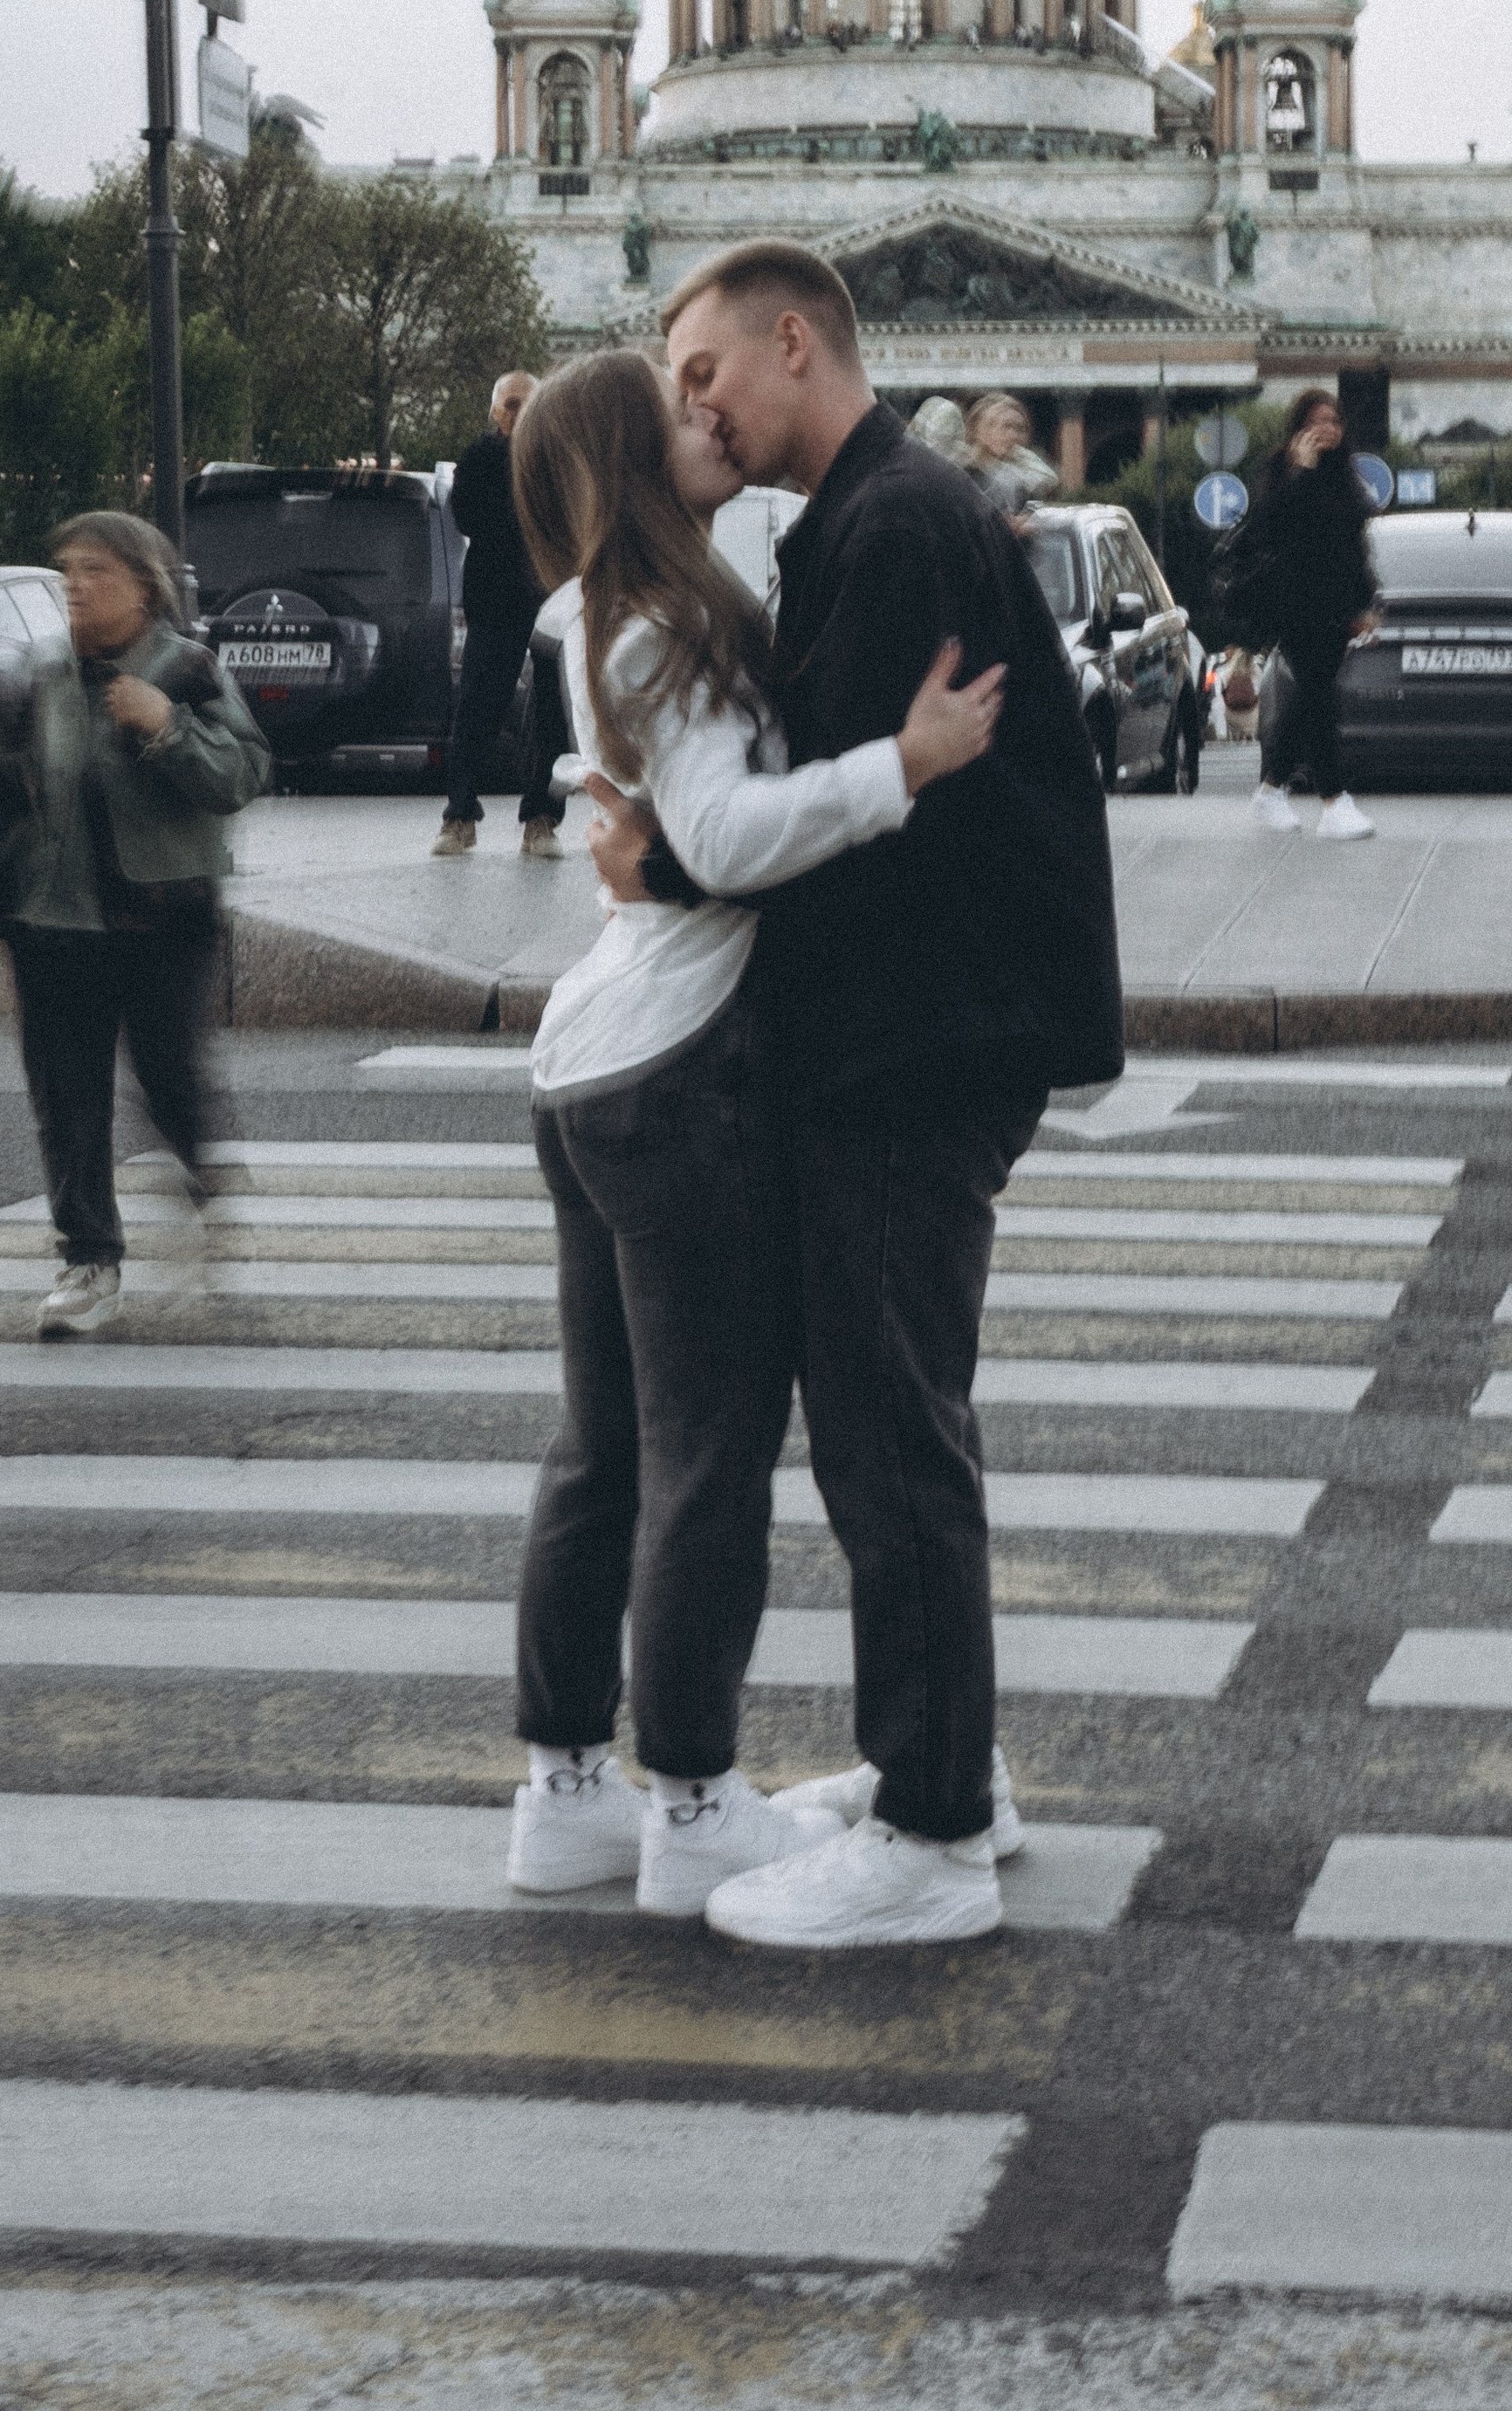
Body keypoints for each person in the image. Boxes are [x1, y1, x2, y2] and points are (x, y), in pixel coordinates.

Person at [645, 238, 1123, 1952]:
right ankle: (947, 1767)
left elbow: (845, 793)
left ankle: (926, 1830)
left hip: (917, 1035)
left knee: (886, 1432)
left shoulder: (895, 518)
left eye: (704, 369)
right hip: (920, 1024)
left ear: (794, 343)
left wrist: (680, 859)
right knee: (891, 1417)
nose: (688, 401)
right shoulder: (875, 509)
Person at [501, 347, 1007, 1920]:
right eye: (681, 414)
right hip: (676, 1068)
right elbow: (723, 838)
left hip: (593, 1057)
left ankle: (568, 1787)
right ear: (635, 462)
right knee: (705, 1460)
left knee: (603, 1451)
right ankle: (697, 1805)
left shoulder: (592, 609)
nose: (708, 419)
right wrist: (899, 768)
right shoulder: (657, 626)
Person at [0, 512, 271, 1337]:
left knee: (168, 1077)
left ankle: (201, 1174)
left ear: (145, 585)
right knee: (67, 1096)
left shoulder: (188, 668)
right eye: (68, 572)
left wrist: (166, 726)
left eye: (98, 571)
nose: (78, 587)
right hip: (52, 920)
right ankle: (88, 1258)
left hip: (162, 918)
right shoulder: (36, 673)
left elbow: (242, 773)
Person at [433, 370, 568, 861]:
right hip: (495, 600)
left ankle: (541, 818)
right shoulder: (481, 457)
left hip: (552, 600)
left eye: (528, 404)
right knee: (478, 706)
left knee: (553, 711)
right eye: (511, 404)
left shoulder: (560, 460)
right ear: (495, 411)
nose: (520, 413)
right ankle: (459, 816)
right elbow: (467, 515)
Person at [1240, 388, 1378, 841]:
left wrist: (1365, 603)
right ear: (1299, 426)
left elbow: (1353, 548)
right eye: (1317, 420)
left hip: (1335, 607)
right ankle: (1334, 801)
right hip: (1294, 605)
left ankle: (1271, 791)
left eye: (1334, 421)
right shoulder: (1280, 470)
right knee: (1319, 699)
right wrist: (1301, 473)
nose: (1327, 429)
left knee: (1308, 700)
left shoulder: (1346, 477)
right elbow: (1266, 529)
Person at [963, 392, 1059, 525]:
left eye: (1019, 428)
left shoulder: (1024, 477)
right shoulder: (962, 473)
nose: (1013, 435)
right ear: (979, 429)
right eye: (1006, 426)